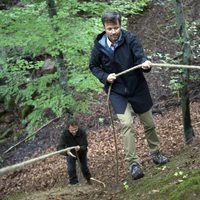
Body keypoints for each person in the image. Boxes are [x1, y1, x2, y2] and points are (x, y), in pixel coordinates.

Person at [89, 10, 169, 180]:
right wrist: (105, 77)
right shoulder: (98, 46)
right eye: (110, 28)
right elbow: (93, 67)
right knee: (127, 124)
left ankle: (156, 153)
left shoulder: (130, 38)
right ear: (104, 27)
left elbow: (140, 55)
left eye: (116, 27)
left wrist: (144, 63)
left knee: (149, 123)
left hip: (137, 86)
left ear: (120, 25)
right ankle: (133, 164)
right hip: (117, 91)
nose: (113, 32)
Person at [57, 117, 92, 185]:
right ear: (68, 128)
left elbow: (85, 145)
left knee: (84, 167)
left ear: (78, 127)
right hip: (71, 153)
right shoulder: (64, 134)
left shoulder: (82, 132)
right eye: (72, 130)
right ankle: (74, 183)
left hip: (81, 152)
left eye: (76, 129)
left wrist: (80, 148)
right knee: (71, 168)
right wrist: (66, 152)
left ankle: (88, 179)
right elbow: (59, 148)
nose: (74, 132)